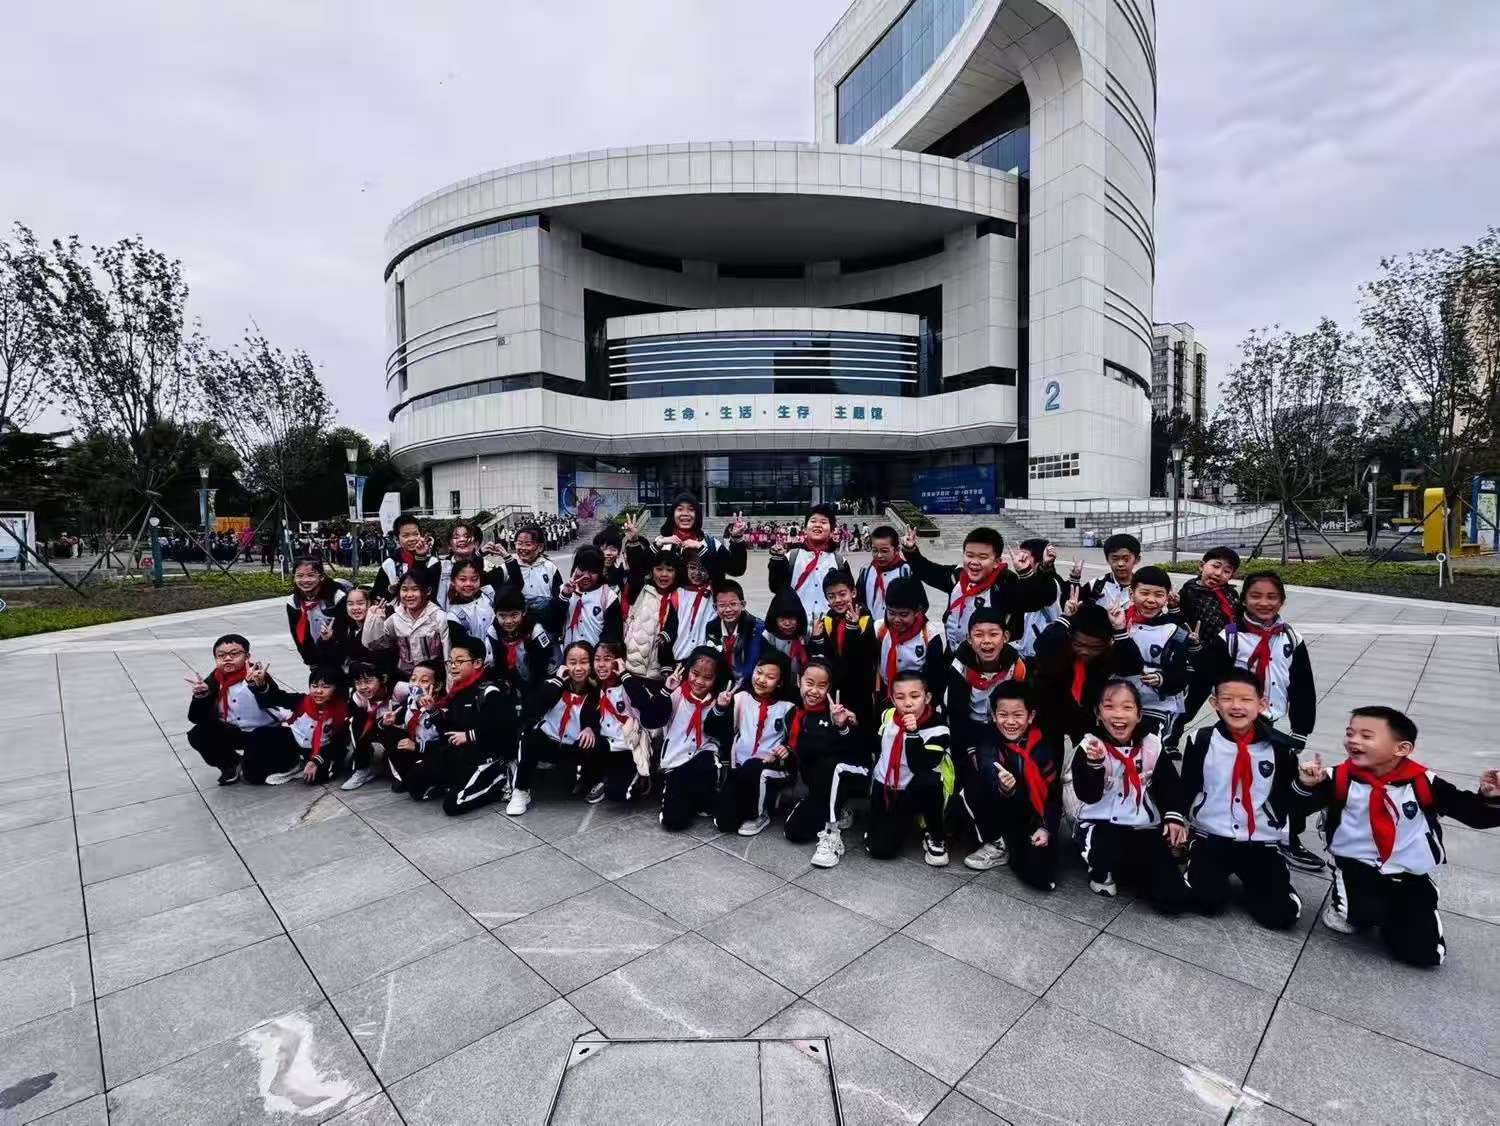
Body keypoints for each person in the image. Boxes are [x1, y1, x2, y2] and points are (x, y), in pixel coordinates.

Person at [1295, 706, 1500, 966]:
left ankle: (1417, 902)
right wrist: (1304, 786)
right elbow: (1293, 810)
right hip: (1355, 865)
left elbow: (1474, 815)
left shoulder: (1424, 782)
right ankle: (1352, 906)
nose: (1353, 741)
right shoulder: (1336, 778)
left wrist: (1491, 799)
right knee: (1351, 919)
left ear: (1401, 748)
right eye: (1350, 733)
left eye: (1366, 736)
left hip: (1407, 872)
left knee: (1424, 955)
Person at [1194, 570, 1321, 872]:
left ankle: (1289, 836)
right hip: (1239, 721)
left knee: (1283, 779)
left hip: (1274, 721)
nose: (1264, 603)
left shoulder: (1291, 639)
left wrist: (1302, 729)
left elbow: (1303, 686)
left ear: (1282, 601)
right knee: (1237, 776)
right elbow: (1210, 677)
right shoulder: (1231, 636)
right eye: (1256, 596)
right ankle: (1224, 826)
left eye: (1272, 597)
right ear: (1244, 599)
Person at [1179, 669, 1308, 929]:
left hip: (1260, 840)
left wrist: (1305, 785)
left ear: (1262, 704)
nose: (1236, 706)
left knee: (1280, 916)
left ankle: (1272, 877)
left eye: (1246, 700)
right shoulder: (1201, 740)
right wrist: (1178, 820)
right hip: (1212, 835)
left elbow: (1290, 800)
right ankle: (1199, 860)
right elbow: (1188, 786)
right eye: (1227, 699)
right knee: (1206, 901)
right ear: (1215, 703)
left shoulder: (1280, 748)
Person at [1071, 679, 1191, 912]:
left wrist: (1174, 817)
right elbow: (1088, 795)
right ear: (1098, 713)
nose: (1118, 715)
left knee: (1174, 898)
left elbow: (1170, 785)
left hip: (1141, 824)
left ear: (1139, 714)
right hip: (1100, 822)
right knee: (1106, 857)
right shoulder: (1089, 746)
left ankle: (1142, 867)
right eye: (1109, 706)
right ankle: (1103, 868)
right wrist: (1094, 766)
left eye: (1127, 707)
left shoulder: (1152, 745)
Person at [386, 637, 518, 814]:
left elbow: (506, 727)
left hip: (483, 757)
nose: (453, 666)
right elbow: (449, 732)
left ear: (477, 663)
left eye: (459, 661)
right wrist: (433, 711)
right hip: (459, 753)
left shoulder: (489, 691)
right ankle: (457, 780)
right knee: (414, 785)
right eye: (451, 661)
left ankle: (499, 780)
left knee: (453, 805)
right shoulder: (457, 692)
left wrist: (470, 735)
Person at [959, 681, 1063, 887]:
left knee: (1041, 876)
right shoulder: (988, 741)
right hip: (997, 807)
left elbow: (1054, 795)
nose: (1010, 722)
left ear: (1031, 716)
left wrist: (1046, 828)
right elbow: (988, 774)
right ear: (994, 715)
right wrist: (1005, 788)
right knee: (971, 786)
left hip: (1031, 815)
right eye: (1003, 715)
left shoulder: (1044, 747)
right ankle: (996, 842)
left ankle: (1016, 846)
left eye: (1017, 715)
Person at [902, 525, 1053, 651]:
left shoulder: (1005, 583)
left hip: (991, 662)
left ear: (997, 561)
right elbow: (928, 571)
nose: (974, 562)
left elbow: (1034, 601)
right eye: (969, 555)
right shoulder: (957, 576)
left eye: (982, 557)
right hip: (954, 658)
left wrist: (1031, 572)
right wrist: (911, 551)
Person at [864, 670, 952, 866]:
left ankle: (935, 834)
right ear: (892, 698)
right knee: (880, 849)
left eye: (915, 696)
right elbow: (876, 746)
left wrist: (913, 734)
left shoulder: (938, 727)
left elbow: (921, 765)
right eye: (900, 697)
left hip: (917, 789)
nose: (908, 703)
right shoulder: (887, 715)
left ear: (927, 697)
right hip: (886, 785)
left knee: (930, 780)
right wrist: (846, 724)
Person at [784, 661, 863, 865]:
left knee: (830, 764)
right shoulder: (794, 715)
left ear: (829, 687)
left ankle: (832, 832)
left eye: (822, 685)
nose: (814, 691)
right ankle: (837, 808)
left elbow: (854, 750)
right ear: (799, 681)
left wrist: (843, 727)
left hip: (846, 775)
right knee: (794, 832)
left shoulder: (837, 713)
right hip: (818, 787)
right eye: (809, 683)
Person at [506, 641, 598, 816]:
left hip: (573, 749)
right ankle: (520, 790)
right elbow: (531, 709)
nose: (578, 668)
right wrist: (557, 681)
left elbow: (599, 719)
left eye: (584, 662)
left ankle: (595, 779)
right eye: (572, 662)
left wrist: (590, 728)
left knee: (573, 781)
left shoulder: (595, 692)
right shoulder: (553, 684)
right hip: (548, 743)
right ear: (565, 664)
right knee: (529, 736)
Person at [1030, 604, 1143, 743]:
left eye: (1094, 647)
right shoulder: (1059, 647)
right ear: (1071, 637)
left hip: (1090, 720)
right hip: (1050, 715)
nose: (1085, 651)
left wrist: (1120, 631)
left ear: (1107, 643)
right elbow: (1041, 647)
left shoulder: (1108, 656)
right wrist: (1065, 619)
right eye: (1079, 645)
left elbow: (1133, 667)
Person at [713, 656, 796, 836]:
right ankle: (745, 806)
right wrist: (721, 708)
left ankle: (760, 814)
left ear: (780, 683)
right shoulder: (740, 698)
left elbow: (794, 742)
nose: (761, 680)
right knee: (725, 823)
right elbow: (720, 731)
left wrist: (785, 751)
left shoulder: (788, 707)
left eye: (770, 677)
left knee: (755, 769)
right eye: (759, 672)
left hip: (769, 767)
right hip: (740, 766)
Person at [186, 634, 281, 785]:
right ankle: (231, 764)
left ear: (247, 656)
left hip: (263, 731)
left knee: (254, 777)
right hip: (233, 731)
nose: (227, 658)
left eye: (234, 654)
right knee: (198, 733)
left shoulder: (257, 676)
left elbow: (274, 700)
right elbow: (196, 718)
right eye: (221, 655)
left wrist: (260, 686)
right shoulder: (214, 680)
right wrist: (201, 696)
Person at [1172, 546, 1243, 749]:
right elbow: (1178, 624)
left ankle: (1235, 741)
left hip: (1227, 660)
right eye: (1215, 566)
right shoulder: (1188, 593)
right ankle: (1170, 740)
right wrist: (1174, 607)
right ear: (1202, 565)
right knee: (1189, 706)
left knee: (1230, 704)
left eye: (1226, 571)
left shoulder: (1231, 595)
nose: (1219, 573)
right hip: (1198, 660)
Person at [656, 647, 731, 831]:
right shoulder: (676, 693)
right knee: (673, 821)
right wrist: (666, 690)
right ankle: (683, 799)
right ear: (687, 670)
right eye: (695, 674)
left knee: (705, 765)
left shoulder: (720, 700)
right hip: (677, 761)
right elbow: (653, 719)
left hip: (703, 761)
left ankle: (702, 796)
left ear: (716, 678)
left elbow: (718, 732)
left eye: (707, 677)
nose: (699, 681)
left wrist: (720, 709)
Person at [241, 664, 352, 786]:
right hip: (293, 740)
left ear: (337, 689)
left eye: (326, 687)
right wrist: (261, 683)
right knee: (260, 735)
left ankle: (307, 764)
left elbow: (337, 743)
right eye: (314, 686)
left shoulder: (343, 713)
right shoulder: (303, 701)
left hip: (322, 749)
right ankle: (293, 764)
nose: (318, 691)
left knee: (316, 777)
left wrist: (316, 761)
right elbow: (276, 697)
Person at [1119, 566, 1192, 745]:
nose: (1151, 600)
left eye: (1159, 595)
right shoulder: (1118, 623)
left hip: (1156, 704)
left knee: (1147, 747)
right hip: (1118, 701)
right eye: (1144, 593)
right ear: (1131, 593)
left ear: (1167, 597)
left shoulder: (1175, 632)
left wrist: (1162, 679)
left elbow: (1181, 676)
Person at [589, 641, 665, 804]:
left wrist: (624, 674)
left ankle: (641, 776)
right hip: (607, 745)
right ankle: (606, 777)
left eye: (607, 659)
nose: (601, 665)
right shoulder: (598, 686)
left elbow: (646, 707)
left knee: (618, 794)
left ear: (619, 660)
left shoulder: (630, 684)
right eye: (597, 659)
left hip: (628, 747)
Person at [946, 605, 1026, 755]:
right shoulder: (960, 667)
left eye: (993, 634)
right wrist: (968, 749)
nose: (986, 641)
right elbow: (956, 714)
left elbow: (1020, 707)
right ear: (969, 639)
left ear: (1005, 637)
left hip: (1003, 725)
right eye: (978, 635)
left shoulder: (1016, 666)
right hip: (970, 725)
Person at [625, 494, 748, 585]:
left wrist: (737, 539)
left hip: (705, 607)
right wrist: (634, 541)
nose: (685, 513)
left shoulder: (710, 544)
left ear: (697, 515)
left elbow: (736, 570)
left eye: (691, 509)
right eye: (680, 509)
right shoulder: (661, 543)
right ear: (672, 514)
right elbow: (637, 570)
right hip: (669, 608)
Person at [809, 569, 876, 729]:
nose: (838, 600)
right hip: (836, 687)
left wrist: (853, 628)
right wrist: (817, 639)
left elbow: (866, 657)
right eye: (831, 596)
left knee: (860, 727)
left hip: (860, 688)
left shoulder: (865, 620)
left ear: (853, 593)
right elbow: (823, 658)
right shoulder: (828, 621)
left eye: (842, 594)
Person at [872, 576, 945, 708]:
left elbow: (936, 678)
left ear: (917, 611)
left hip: (914, 700)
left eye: (904, 615)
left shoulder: (929, 636)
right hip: (885, 695)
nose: (896, 620)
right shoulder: (879, 629)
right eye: (891, 613)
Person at [768, 504, 843, 631]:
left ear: (831, 531)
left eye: (823, 522)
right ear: (805, 528)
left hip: (830, 627)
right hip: (796, 627)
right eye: (813, 521)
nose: (817, 525)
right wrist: (777, 560)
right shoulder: (791, 557)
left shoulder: (839, 561)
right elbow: (776, 587)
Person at [363, 571, 450, 677]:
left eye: (415, 589)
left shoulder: (439, 617)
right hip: (405, 677)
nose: (409, 595)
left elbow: (448, 655)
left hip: (434, 676)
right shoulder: (395, 618)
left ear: (428, 591)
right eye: (404, 589)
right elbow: (373, 645)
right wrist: (375, 620)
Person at [490, 524, 563, 634]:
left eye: (528, 544)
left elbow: (558, 598)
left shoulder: (550, 567)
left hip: (545, 625)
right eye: (519, 543)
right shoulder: (507, 567)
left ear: (540, 547)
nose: (523, 548)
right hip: (516, 628)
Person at [342, 661, 403, 791]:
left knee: (391, 730)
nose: (363, 687)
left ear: (383, 679)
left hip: (402, 727)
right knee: (354, 723)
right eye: (358, 683)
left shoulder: (399, 689)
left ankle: (402, 771)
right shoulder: (358, 696)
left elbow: (420, 694)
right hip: (378, 724)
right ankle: (363, 768)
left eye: (368, 681)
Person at [385, 661, 445, 793]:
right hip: (414, 747)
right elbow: (402, 721)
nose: (416, 685)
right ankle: (406, 777)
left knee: (417, 792)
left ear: (438, 685)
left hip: (432, 753)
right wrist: (389, 721)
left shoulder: (444, 708)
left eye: (424, 681)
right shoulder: (410, 700)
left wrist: (419, 747)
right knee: (386, 731)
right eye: (413, 679)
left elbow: (447, 742)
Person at [285, 559, 347, 667]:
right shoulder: (294, 602)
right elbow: (297, 635)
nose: (305, 580)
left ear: (321, 576)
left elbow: (344, 632)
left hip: (341, 656)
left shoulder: (337, 597)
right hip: (315, 658)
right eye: (300, 576)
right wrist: (310, 660)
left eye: (311, 575)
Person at [1010, 538, 1064, 658]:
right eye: (1020, 554)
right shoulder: (1023, 581)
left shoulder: (1051, 583)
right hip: (1024, 650)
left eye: (1025, 556)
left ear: (1039, 560)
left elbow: (1034, 599)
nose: (1020, 558)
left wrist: (1045, 566)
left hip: (1044, 654)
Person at [557, 545, 618, 650]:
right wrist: (564, 596)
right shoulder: (563, 591)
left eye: (592, 571)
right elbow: (551, 624)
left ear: (600, 572)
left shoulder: (609, 598)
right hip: (569, 656)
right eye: (582, 569)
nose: (586, 576)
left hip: (595, 656)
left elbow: (612, 636)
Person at [706, 579, 763, 688]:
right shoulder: (711, 627)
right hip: (722, 683)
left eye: (733, 604)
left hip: (750, 684)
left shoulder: (757, 627)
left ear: (743, 604)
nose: (728, 609)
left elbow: (754, 662)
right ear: (715, 607)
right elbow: (713, 659)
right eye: (722, 605)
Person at [372, 514, 441, 603]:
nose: (412, 539)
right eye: (406, 536)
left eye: (415, 534)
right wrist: (390, 590)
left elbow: (434, 592)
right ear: (396, 539)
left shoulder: (432, 562)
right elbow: (377, 595)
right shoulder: (389, 564)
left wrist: (420, 557)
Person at [444, 559, 497, 666]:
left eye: (474, 579)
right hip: (475, 665)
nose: (468, 584)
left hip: (500, 656)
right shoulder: (453, 616)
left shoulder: (489, 595)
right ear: (453, 582)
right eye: (462, 580)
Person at [854, 525, 909, 622]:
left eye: (884, 551)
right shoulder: (866, 572)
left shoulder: (906, 572)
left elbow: (920, 604)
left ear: (896, 549)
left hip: (898, 627)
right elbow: (859, 600)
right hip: (871, 627)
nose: (879, 555)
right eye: (875, 551)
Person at [1074, 533, 1140, 613]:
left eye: (1126, 559)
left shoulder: (1143, 586)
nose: (1120, 564)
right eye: (1114, 559)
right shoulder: (1095, 586)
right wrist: (1074, 579)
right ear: (1107, 559)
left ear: (1137, 559)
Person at [760, 589, 810, 682]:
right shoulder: (768, 636)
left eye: (791, 619)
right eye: (782, 619)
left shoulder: (806, 634)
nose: (787, 623)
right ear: (774, 619)